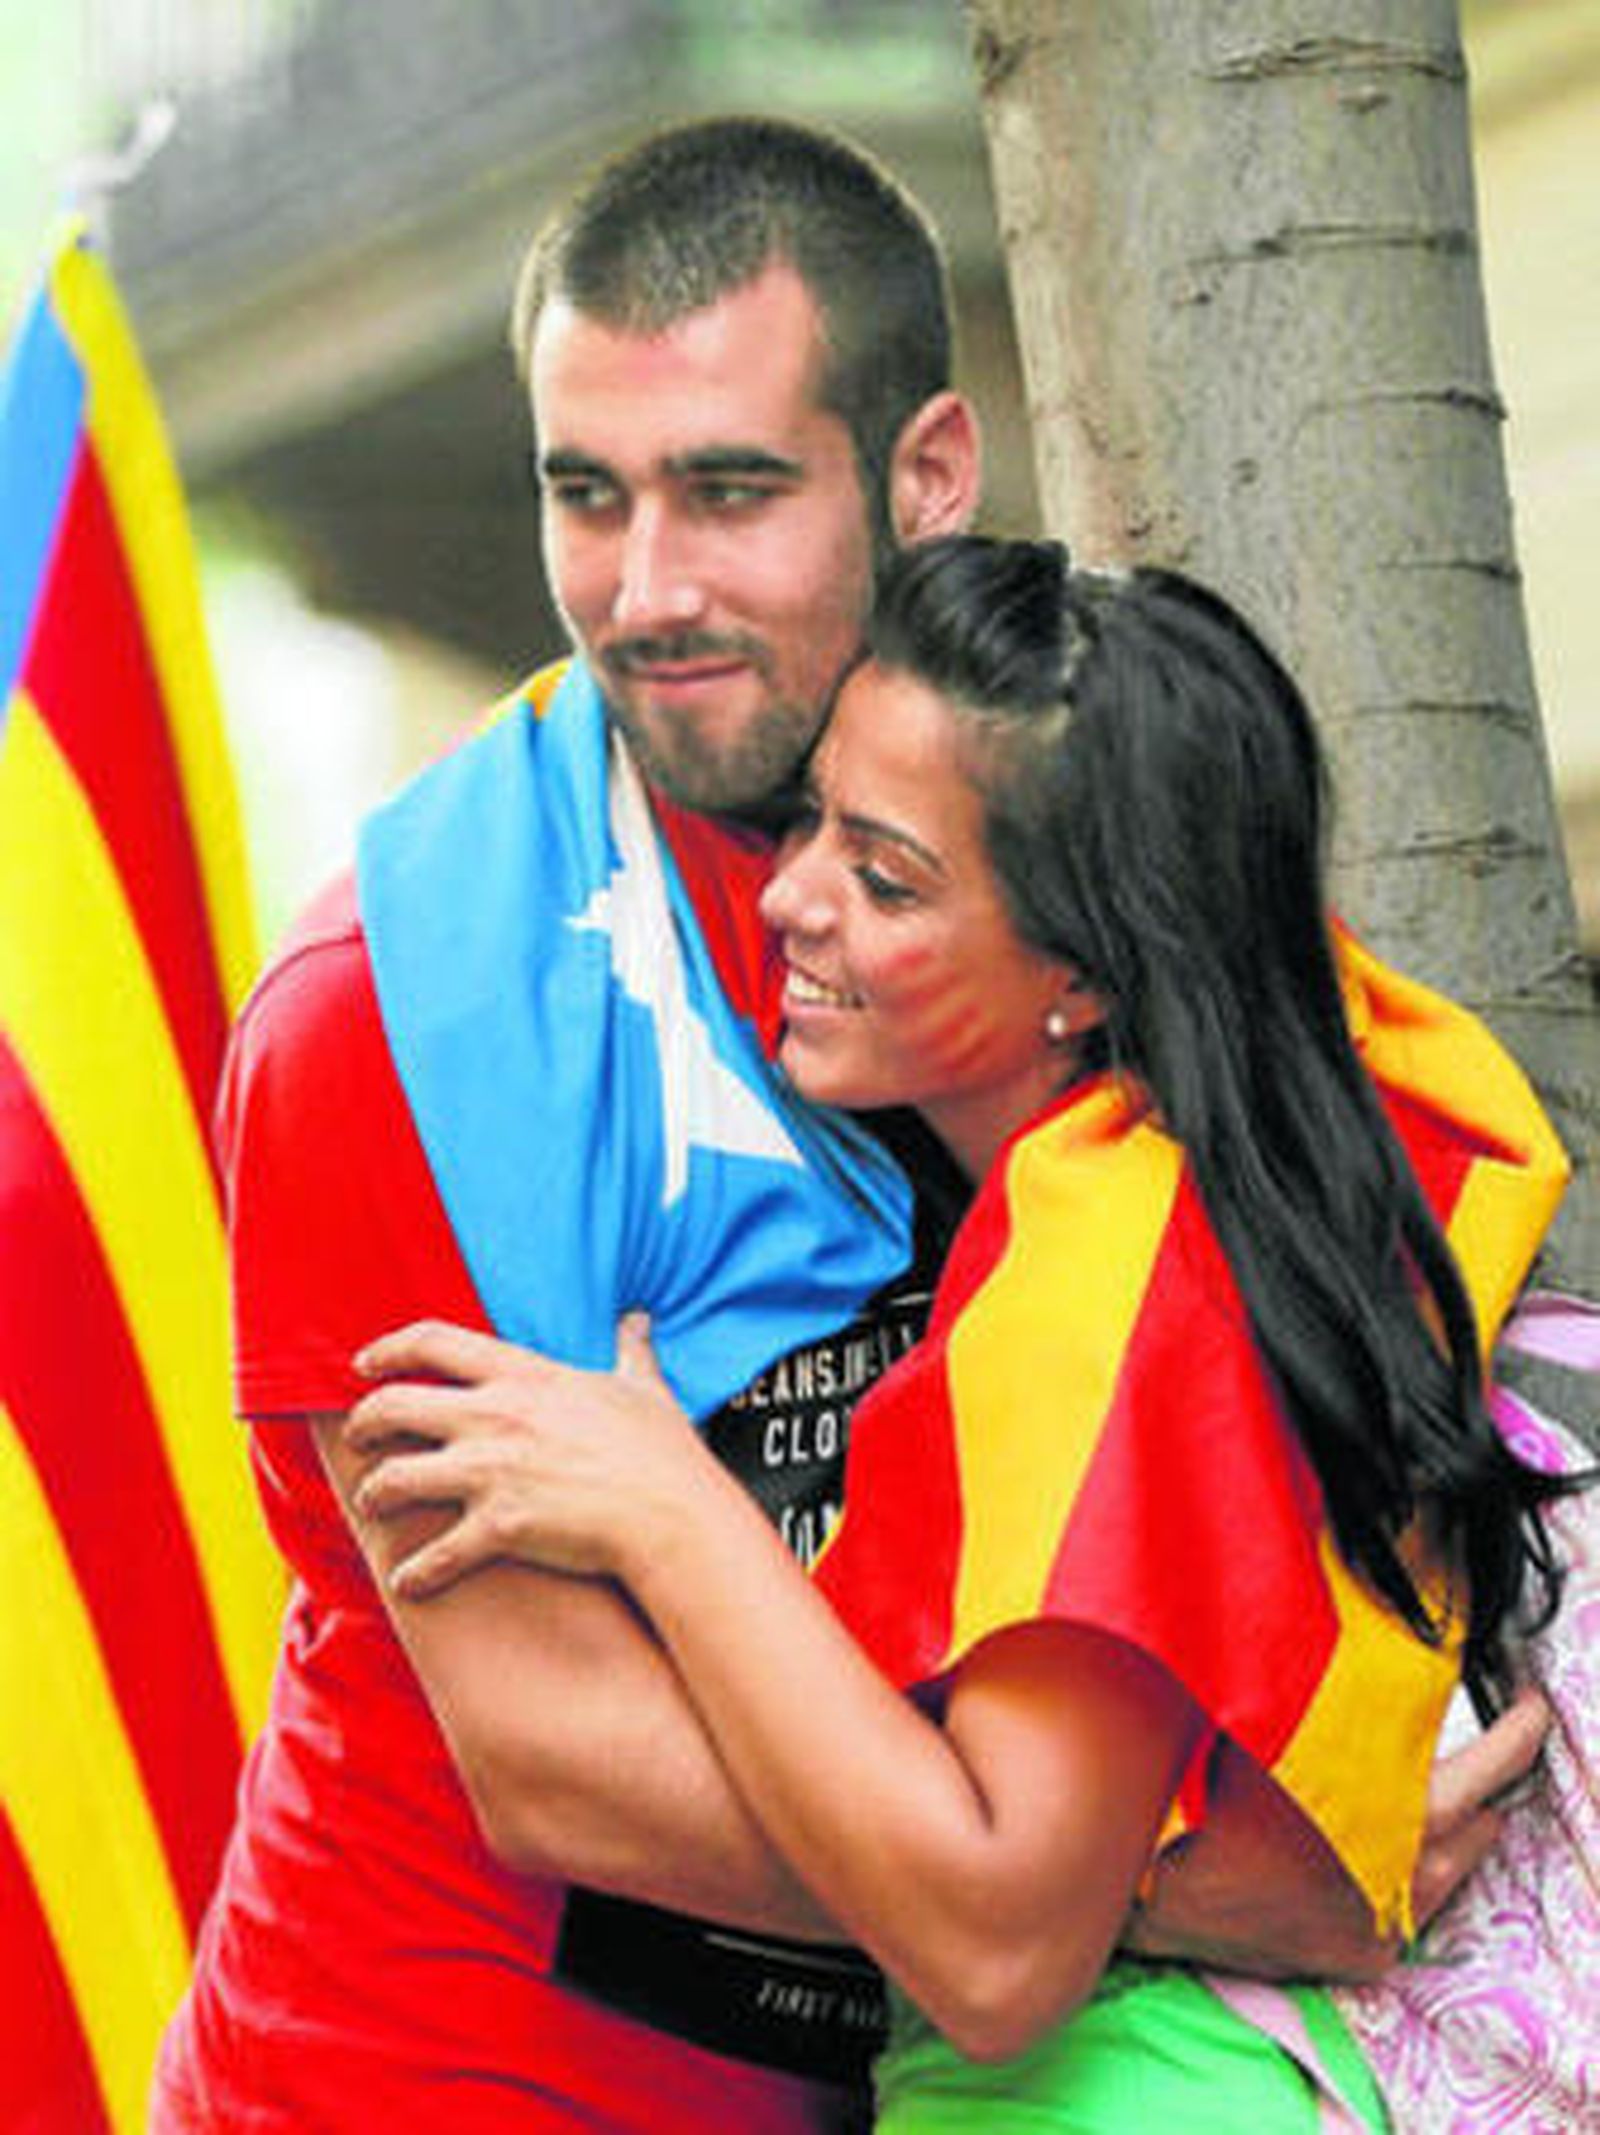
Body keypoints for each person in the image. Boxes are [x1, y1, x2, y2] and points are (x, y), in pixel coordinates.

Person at [152, 120, 1546, 2133]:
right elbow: (549, 1751)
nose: (643, 593)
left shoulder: (1071, 859)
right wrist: (1210, 1888)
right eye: (583, 495)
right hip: (418, 2077)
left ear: (924, 477)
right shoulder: (391, 1012)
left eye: (729, 492)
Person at [344, 536, 1574, 2131]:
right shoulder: (1277, 1124)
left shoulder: (1106, 1285)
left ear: (1083, 971)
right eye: (810, 821)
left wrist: (665, 1510)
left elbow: (999, 1949)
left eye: (886, 874)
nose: (788, 897)